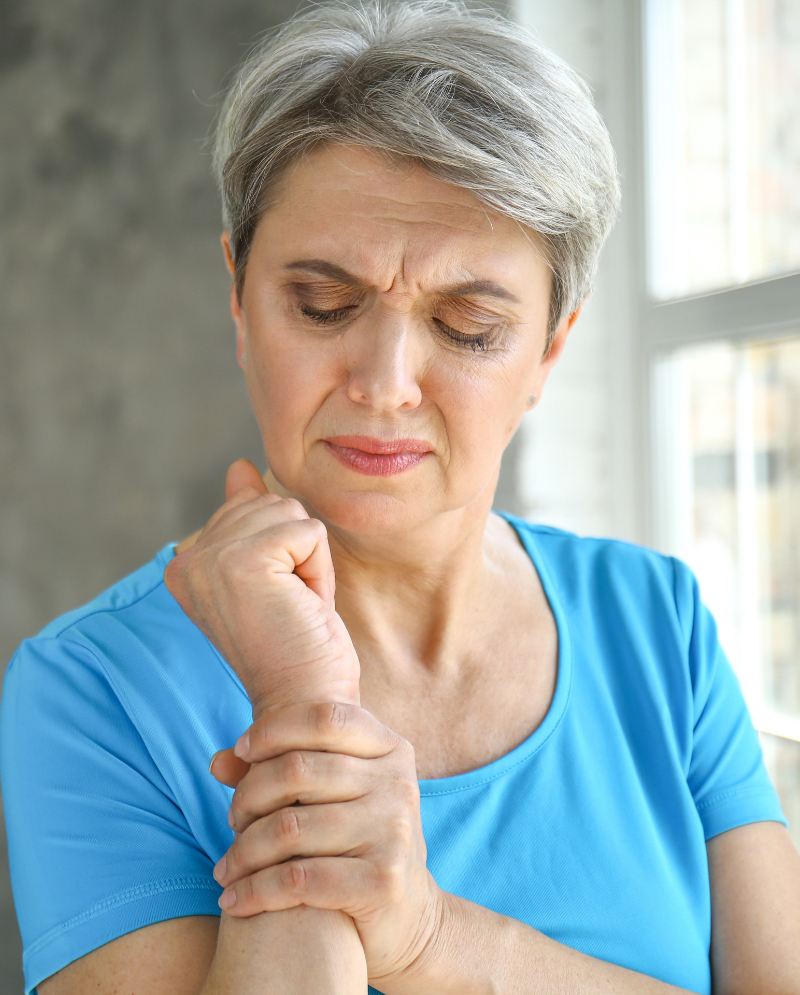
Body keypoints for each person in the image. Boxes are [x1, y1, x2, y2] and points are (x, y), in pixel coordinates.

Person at [2, 2, 799, 993]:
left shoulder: (658, 623)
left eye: (466, 325)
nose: (383, 382)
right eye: (323, 303)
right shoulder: (91, 690)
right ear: (238, 297)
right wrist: (305, 703)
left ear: (549, 348)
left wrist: (427, 936)